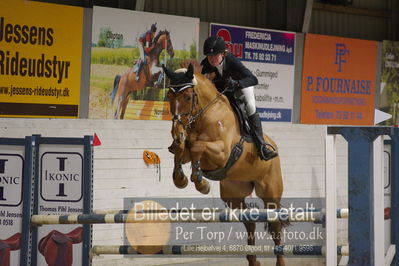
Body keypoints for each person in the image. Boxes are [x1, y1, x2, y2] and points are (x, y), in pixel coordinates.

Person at [200, 35, 278, 161]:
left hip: (242, 87)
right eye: (209, 56)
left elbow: (253, 79)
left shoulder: (231, 61)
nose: (212, 59)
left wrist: (237, 84)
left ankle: (262, 146)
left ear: (223, 54)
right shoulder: (206, 65)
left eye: (215, 56)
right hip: (224, 92)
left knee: (250, 106)